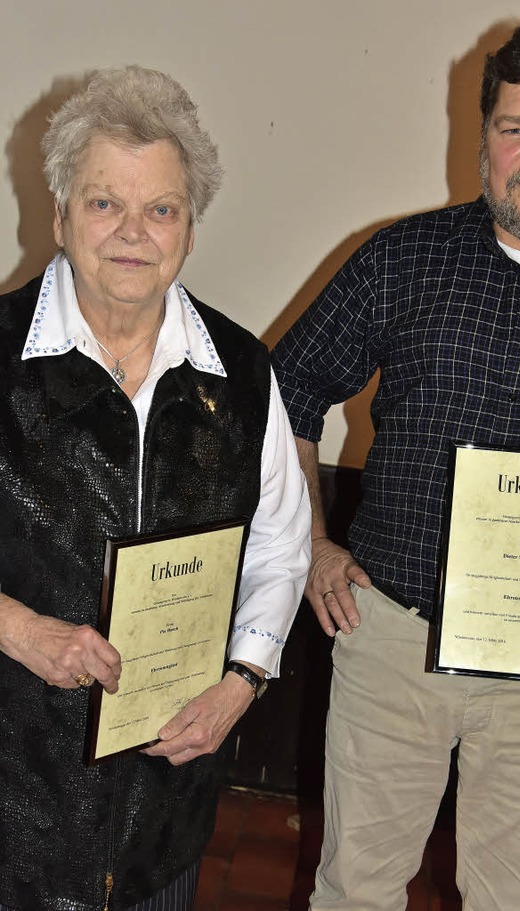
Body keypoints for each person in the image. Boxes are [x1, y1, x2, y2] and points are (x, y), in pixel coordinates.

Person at [272, 11, 520, 911]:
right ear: (483, 140)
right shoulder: (404, 258)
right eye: (515, 128)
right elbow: (283, 392)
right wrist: (314, 544)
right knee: (353, 891)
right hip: (391, 639)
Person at [0, 66, 310, 911]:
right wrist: (23, 631)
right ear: (59, 214)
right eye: (105, 203)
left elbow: (281, 545)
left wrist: (242, 682)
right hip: (12, 815)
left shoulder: (241, 374)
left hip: (163, 818)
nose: (134, 232)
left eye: (162, 209)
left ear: (191, 229)